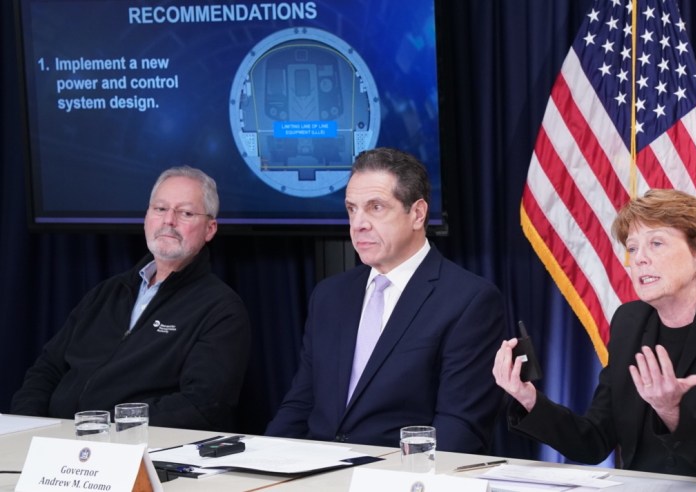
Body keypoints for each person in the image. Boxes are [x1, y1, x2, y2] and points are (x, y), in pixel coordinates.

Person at [493, 188, 696, 482]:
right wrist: (528, 399)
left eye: (656, 243)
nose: (638, 259)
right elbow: (593, 441)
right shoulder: (629, 321)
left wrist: (672, 413)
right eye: (632, 248)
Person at [266, 147, 506, 453]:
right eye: (352, 209)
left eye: (375, 207)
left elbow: (460, 428)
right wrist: (265, 467)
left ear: (417, 214)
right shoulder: (329, 295)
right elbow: (300, 404)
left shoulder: (469, 300)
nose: (358, 223)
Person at [11, 166, 251, 431]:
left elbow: (203, 404)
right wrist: (28, 428)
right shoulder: (106, 293)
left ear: (210, 229)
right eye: (160, 209)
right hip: (57, 446)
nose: (168, 220)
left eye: (185, 213)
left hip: (137, 453)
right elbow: (46, 371)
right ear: (147, 217)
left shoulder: (220, 309)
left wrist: (107, 431)